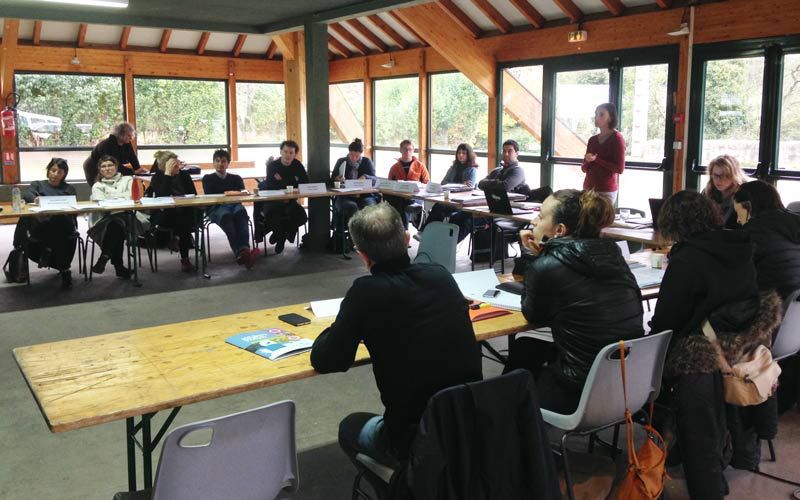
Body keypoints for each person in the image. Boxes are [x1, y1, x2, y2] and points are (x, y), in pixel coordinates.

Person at [310, 202, 482, 479]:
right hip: (467, 425)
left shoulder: (366, 292)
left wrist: (344, 322)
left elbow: (328, 359)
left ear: (362, 255)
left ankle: (404, 487)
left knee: (350, 427)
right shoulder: (440, 275)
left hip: (412, 437)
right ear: (405, 240)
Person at [649, 190, 781, 499]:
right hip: (743, 344)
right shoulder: (738, 245)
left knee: (649, 356)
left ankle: (663, 448)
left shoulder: (687, 259)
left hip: (703, 354)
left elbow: (666, 321)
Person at [504, 189, 643, 413]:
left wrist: (533, 256)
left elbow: (533, 314)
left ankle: (509, 419)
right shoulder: (613, 255)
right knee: (526, 347)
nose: (533, 221)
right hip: (626, 383)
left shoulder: (548, 266)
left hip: (579, 390)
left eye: (540, 216)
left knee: (518, 367)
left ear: (559, 230)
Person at [733, 180, 800, 413]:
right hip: (793, 324)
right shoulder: (793, 224)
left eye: (739, 211)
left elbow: (737, 281)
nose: (738, 218)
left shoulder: (754, 233)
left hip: (770, 323)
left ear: (749, 207)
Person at [14, 158, 78, 289]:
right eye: (53, 170)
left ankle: (47, 251)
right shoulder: (37, 184)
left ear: (64, 174)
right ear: (48, 171)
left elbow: (72, 206)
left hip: (62, 224)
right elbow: (28, 196)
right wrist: (35, 199)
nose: (55, 174)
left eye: (60, 172)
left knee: (58, 223)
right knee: (56, 229)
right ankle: (65, 270)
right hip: (42, 225)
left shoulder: (69, 188)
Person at [88, 155, 149, 280]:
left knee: (116, 226)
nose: (107, 169)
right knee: (116, 226)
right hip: (105, 219)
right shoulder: (97, 185)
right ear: (99, 170)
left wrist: (111, 198)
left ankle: (105, 257)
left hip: (130, 217)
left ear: (116, 167)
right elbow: (102, 203)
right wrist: (120, 198)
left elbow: (132, 197)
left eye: (110, 165)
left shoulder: (127, 180)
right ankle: (118, 267)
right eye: (103, 166)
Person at [202, 149, 259, 268]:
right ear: (213, 163)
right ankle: (242, 253)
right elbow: (210, 195)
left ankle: (243, 252)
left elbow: (242, 193)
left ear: (228, 163)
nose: (220, 164)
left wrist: (232, 194)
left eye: (223, 161)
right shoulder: (208, 178)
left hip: (235, 205)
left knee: (241, 214)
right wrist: (231, 193)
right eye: (217, 161)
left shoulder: (236, 178)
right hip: (216, 207)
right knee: (227, 217)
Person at [145, 150, 198, 272]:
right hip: (164, 214)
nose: (178, 166)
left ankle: (178, 242)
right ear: (165, 166)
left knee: (186, 215)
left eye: (178, 162)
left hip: (184, 212)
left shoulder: (184, 175)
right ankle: (182, 251)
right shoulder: (158, 177)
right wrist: (167, 175)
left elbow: (193, 195)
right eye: (174, 164)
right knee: (181, 217)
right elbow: (162, 197)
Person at [255, 140, 309, 254]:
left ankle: (280, 234)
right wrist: (293, 179)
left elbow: (305, 183)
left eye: (291, 152)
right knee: (271, 215)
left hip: (290, 201)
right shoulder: (272, 166)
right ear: (281, 151)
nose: (288, 155)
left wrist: (283, 180)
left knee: (302, 217)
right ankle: (281, 237)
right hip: (273, 200)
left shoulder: (297, 165)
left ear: (295, 154)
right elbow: (271, 185)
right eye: (285, 151)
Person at [417, 143, 478, 242]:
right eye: (459, 153)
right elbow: (443, 182)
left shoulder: (472, 170)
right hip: (449, 198)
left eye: (464, 153)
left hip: (462, 201)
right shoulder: (453, 168)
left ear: (469, 155)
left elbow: (469, 188)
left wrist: (456, 185)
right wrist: (460, 184)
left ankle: (426, 233)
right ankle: (426, 233)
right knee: (438, 206)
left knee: (439, 207)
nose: (461, 155)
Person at [330, 138, 379, 234]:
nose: (354, 158)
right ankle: (355, 237)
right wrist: (336, 179)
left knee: (369, 207)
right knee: (352, 208)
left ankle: (367, 235)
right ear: (348, 152)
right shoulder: (341, 161)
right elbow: (331, 180)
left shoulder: (366, 162)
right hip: (345, 196)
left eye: (357, 156)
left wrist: (366, 176)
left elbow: (375, 179)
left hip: (365, 195)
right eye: (352, 155)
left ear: (361, 154)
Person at [581, 103, 625, 204]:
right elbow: (584, 169)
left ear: (610, 118)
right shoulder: (592, 140)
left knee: (601, 219)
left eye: (601, 114)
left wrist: (597, 159)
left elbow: (619, 169)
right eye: (596, 114)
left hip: (606, 191)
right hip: (588, 188)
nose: (597, 117)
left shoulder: (617, 138)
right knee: (586, 219)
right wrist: (588, 161)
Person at [83, 122, 147, 186]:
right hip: (93, 167)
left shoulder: (127, 143)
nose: (131, 138)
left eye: (131, 135)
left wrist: (138, 170)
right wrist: (133, 172)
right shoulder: (108, 145)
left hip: (108, 166)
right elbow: (114, 164)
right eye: (129, 135)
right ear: (121, 134)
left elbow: (132, 158)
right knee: (100, 187)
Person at [386, 139, 430, 229]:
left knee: (403, 205)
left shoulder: (420, 166)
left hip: (416, 196)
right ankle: (404, 231)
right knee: (403, 203)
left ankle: (403, 232)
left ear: (413, 150)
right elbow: (389, 185)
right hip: (399, 196)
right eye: (405, 149)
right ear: (400, 150)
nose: (407, 151)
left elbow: (426, 183)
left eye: (410, 149)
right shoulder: (394, 168)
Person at [703, 154, 749, 229]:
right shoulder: (708, 191)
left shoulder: (744, 194)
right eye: (716, 175)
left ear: (734, 176)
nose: (719, 180)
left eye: (726, 176)